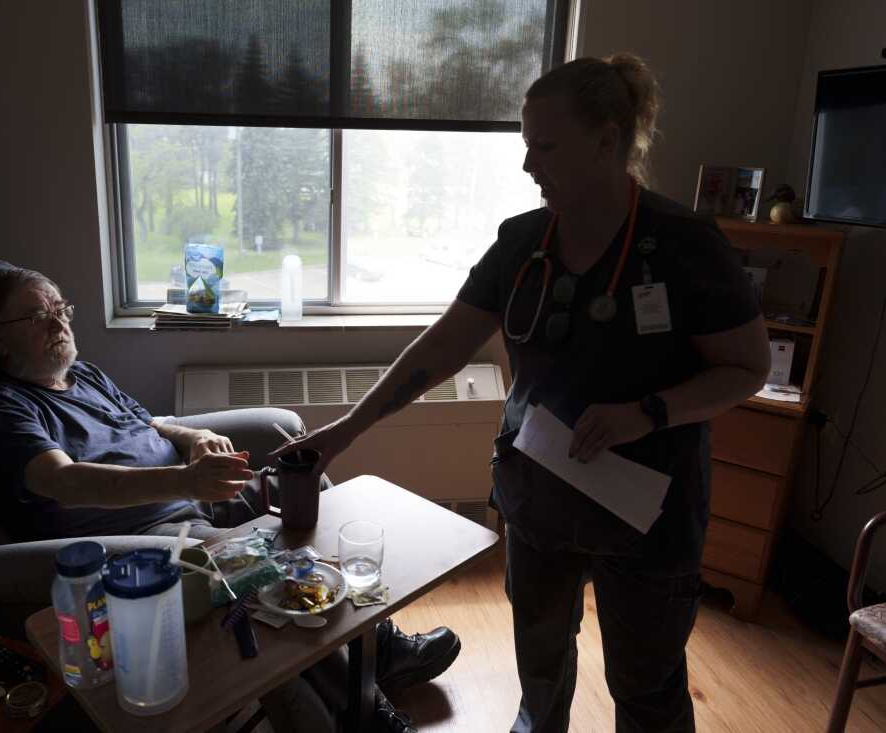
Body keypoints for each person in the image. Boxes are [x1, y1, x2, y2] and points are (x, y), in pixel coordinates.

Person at [274, 53, 771, 733]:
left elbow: (747, 368)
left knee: (646, 686)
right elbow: (440, 348)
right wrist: (344, 432)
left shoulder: (685, 247)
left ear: (606, 140)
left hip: (648, 514)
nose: (529, 164)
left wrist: (649, 412)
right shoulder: (523, 243)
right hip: (540, 500)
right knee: (540, 668)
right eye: (525, 145)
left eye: (545, 146)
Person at [0, 267, 462, 733]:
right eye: (38, 315)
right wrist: (186, 482)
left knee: (301, 488)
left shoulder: (87, 375)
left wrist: (195, 436)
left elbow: (150, 425)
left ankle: (381, 645)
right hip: (142, 532)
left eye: (60, 308)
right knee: (273, 571)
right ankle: (368, 715)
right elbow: (63, 481)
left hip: (190, 492)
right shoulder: (6, 405)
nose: (58, 321)